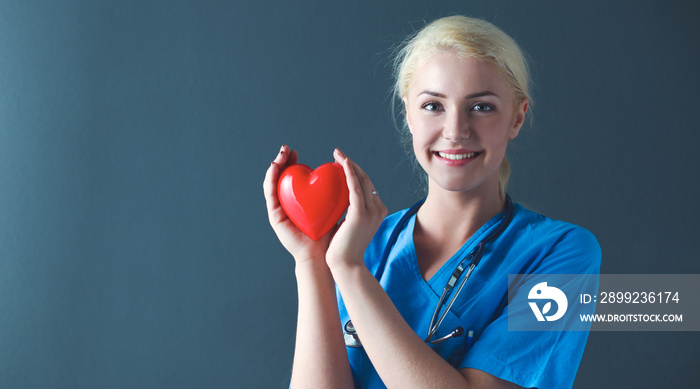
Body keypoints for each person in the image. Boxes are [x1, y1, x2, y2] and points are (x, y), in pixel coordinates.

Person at [263, 15, 601, 389]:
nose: (456, 130)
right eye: (433, 106)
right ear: (408, 112)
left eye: (482, 107)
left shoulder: (562, 254)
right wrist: (313, 261)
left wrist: (349, 271)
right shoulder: (364, 244)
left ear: (517, 118)